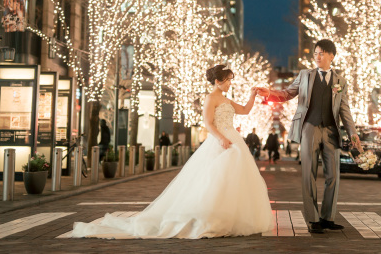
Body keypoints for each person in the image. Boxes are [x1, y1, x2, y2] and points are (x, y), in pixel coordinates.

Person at [71, 64, 271, 239]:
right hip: (221, 141)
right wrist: (221, 138)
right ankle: (211, 217)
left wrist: (253, 95)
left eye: (230, 81)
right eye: (227, 81)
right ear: (218, 81)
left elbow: (244, 110)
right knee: (213, 181)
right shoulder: (211, 98)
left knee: (231, 181)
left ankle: (228, 217)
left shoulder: (227, 100)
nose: (229, 84)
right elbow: (208, 123)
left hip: (232, 141)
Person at [257, 39, 363, 234]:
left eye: (321, 53)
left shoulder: (341, 81)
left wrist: (353, 133)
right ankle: (313, 219)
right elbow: (288, 93)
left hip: (331, 131)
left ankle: (327, 217)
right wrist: (270, 93)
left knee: (333, 176)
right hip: (309, 128)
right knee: (309, 174)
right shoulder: (305, 75)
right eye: (315, 53)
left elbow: (344, 109)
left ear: (332, 56)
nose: (317, 57)